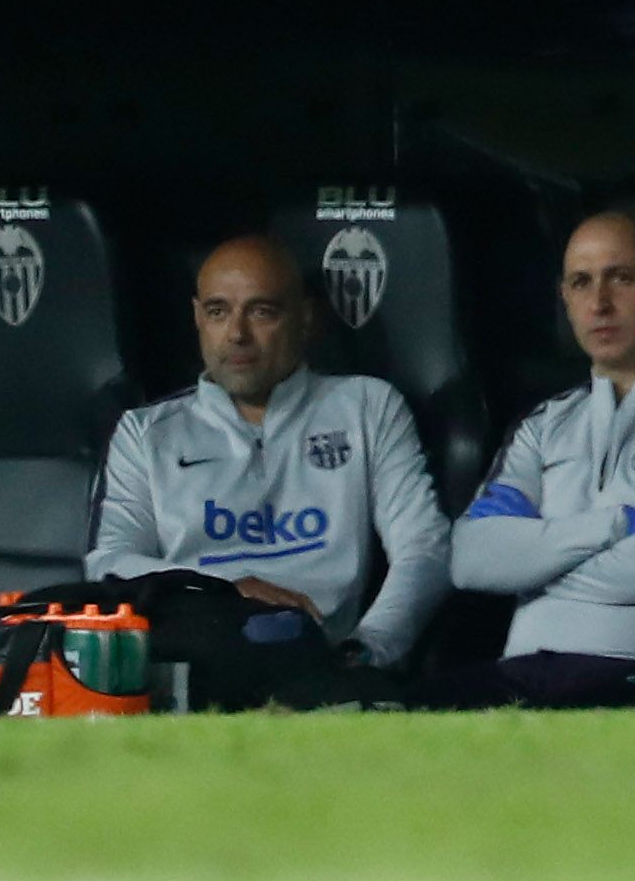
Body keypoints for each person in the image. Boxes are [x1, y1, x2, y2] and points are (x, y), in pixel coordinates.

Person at [429, 209, 635, 709]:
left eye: (620, 278)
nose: (600, 302)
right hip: (521, 671)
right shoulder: (545, 423)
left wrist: (532, 565)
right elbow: (471, 558)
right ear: (564, 298)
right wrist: (619, 524)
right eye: (581, 283)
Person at [86, 235, 451, 673]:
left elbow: (425, 549)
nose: (237, 334)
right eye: (218, 312)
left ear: (305, 319)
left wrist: (368, 649)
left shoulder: (367, 406)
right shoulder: (146, 433)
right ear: (198, 318)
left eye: (262, 312)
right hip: (197, 659)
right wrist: (226, 590)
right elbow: (109, 564)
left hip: (321, 663)